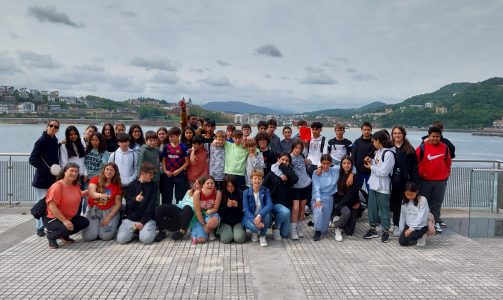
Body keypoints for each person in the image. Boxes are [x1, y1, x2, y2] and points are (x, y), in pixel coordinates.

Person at [43, 163, 90, 249]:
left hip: (68, 217)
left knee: (84, 222)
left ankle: (63, 236)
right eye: (71, 171)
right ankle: (51, 235)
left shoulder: (75, 185)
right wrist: (65, 221)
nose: (74, 173)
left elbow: (79, 194)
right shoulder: (57, 186)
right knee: (65, 228)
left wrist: (90, 190)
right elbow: (52, 207)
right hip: (53, 218)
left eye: (76, 171)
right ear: (64, 172)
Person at [416, 126, 452, 233]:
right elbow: (415, 162)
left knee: (437, 203)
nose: (435, 139)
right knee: (423, 203)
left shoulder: (445, 147)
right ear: (429, 136)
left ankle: (436, 221)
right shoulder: (422, 148)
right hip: (425, 181)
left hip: (440, 181)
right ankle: (424, 222)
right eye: (433, 136)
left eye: (438, 137)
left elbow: (448, 162)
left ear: (440, 137)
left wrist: (446, 175)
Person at [29, 120, 61, 237]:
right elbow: (32, 159)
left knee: (50, 203)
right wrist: (48, 169)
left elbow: (52, 154)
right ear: (47, 126)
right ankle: (39, 227)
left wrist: (60, 144)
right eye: (51, 126)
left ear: (58, 129)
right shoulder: (41, 141)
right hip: (42, 179)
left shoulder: (54, 140)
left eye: (55, 127)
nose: (53, 128)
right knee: (42, 203)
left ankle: (47, 226)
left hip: (52, 178)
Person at [363, 131, 395, 243]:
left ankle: (386, 231)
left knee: (384, 209)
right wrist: (371, 161)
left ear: (378, 141)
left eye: (374, 141)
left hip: (383, 186)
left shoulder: (389, 154)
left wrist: (371, 167)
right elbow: (378, 165)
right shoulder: (378, 152)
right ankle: (373, 229)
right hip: (374, 184)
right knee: (372, 207)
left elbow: (384, 172)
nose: (373, 143)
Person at [117, 162, 157, 245]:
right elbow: (128, 205)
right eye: (150, 174)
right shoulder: (132, 185)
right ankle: (137, 230)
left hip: (146, 219)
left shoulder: (154, 186)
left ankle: (141, 230)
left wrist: (142, 222)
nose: (152, 177)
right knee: (121, 239)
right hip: (132, 220)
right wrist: (135, 199)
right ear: (143, 173)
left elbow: (151, 206)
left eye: (153, 174)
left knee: (146, 239)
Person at [390, 125, 419, 236]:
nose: (397, 135)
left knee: (402, 204)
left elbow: (414, 168)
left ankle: (399, 225)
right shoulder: (389, 147)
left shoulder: (409, 149)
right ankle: (391, 223)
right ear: (392, 135)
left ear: (403, 134)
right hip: (391, 182)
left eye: (399, 133)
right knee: (392, 204)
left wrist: (414, 183)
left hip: (404, 182)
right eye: (395, 133)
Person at [82, 163, 122, 241]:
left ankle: (113, 226)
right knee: (88, 237)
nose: (109, 172)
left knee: (105, 237)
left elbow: (118, 204)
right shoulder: (95, 179)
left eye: (112, 170)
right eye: (107, 169)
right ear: (104, 170)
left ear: (115, 173)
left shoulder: (117, 185)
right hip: (94, 210)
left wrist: (109, 217)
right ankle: (96, 228)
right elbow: (91, 193)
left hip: (108, 210)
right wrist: (102, 195)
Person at [263, 152, 298, 240]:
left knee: (285, 235)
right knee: (285, 212)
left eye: (286, 160)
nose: (284, 161)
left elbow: (295, 179)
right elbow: (263, 187)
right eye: (282, 159)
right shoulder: (272, 172)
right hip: (274, 203)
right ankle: (275, 227)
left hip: (286, 204)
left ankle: (278, 226)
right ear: (278, 160)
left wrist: (283, 168)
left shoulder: (289, 172)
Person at [155, 177, 202, 242]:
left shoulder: (202, 195)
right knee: (160, 208)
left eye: (197, 184)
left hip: (189, 213)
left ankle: (182, 231)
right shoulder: (189, 191)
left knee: (187, 207)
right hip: (179, 209)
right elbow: (182, 203)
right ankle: (161, 231)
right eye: (195, 183)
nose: (195, 185)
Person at [311, 155, 339, 241]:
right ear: (321, 163)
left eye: (328, 163)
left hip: (329, 199)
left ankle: (316, 223)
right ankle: (317, 231)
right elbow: (316, 187)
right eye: (323, 163)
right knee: (318, 210)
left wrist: (352, 174)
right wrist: (318, 199)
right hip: (317, 198)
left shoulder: (335, 170)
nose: (326, 165)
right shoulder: (316, 173)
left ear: (331, 163)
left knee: (324, 230)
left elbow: (350, 166)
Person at [242, 169, 273, 247]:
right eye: (255, 178)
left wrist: (259, 216)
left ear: (262, 180)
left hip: (260, 215)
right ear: (251, 180)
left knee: (267, 215)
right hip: (250, 217)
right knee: (255, 228)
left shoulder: (266, 190)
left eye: (259, 178)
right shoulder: (246, 192)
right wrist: (254, 220)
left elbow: (269, 205)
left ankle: (262, 236)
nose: (257, 180)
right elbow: (246, 209)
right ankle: (254, 233)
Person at [333, 156, 360, 242]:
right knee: (346, 212)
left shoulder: (355, 177)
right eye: (344, 163)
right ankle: (338, 227)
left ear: (352, 165)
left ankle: (336, 222)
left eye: (348, 163)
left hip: (351, 203)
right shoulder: (338, 174)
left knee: (349, 231)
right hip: (340, 203)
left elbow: (352, 194)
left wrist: (352, 174)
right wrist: (338, 207)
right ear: (341, 164)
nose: (346, 165)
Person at [289, 140, 312, 239]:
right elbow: (280, 167)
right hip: (295, 187)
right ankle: (293, 230)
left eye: (300, 148)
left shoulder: (302, 156)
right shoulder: (289, 157)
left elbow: (306, 166)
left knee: (303, 207)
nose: (298, 150)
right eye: (296, 148)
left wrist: (309, 162)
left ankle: (300, 228)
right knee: (296, 208)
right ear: (292, 148)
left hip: (305, 184)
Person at [161, 127, 189, 204]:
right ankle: (166, 214)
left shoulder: (183, 147)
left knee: (180, 196)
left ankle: (179, 213)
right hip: (168, 175)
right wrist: (165, 171)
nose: (170, 138)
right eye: (169, 136)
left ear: (178, 135)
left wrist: (178, 171)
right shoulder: (166, 147)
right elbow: (163, 160)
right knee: (167, 196)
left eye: (172, 136)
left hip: (179, 175)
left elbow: (187, 162)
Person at [191, 175, 222, 244]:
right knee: (202, 239)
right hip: (199, 216)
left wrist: (210, 211)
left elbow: (215, 208)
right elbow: (197, 211)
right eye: (207, 183)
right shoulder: (197, 193)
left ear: (214, 184)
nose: (210, 185)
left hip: (211, 213)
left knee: (212, 222)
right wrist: (204, 225)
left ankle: (211, 230)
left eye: (212, 183)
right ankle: (200, 232)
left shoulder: (218, 193)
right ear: (203, 185)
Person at [399, 182, 430, 247]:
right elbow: (402, 216)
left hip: (420, 226)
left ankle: (422, 234)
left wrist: (411, 229)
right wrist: (401, 230)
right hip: (409, 225)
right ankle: (415, 237)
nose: (410, 197)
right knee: (402, 242)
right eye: (407, 194)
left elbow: (421, 216)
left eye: (412, 194)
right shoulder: (404, 201)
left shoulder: (422, 200)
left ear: (417, 192)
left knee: (410, 236)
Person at [218, 175, 245, 244]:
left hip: (238, 221)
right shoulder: (221, 194)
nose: (230, 188)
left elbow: (244, 211)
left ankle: (239, 231)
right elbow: (219, 212)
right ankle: (223, 231)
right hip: (225, 222)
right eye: (228, 186)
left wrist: (238, 205)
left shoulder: (241, 193)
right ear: (225, 186)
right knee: (226, 240)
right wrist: (226, 206)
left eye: (232, 186)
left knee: (239, 239)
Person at [138, 131, 161, 202]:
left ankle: (156, 211)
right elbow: (140, 165)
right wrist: (139, 178)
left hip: (156, 179)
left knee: (156, 197)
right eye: (150, 140)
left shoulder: (156, 150)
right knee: (147, 197)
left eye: (154, 140)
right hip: (146, 179)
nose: (152, 142)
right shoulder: (144, 151)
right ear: (146, 141)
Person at [352, 121, 374, 191]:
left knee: (371, 191)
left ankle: (370, 202)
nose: (366, 131)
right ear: (361, 130)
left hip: (372, 172)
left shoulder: (375, 141)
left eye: (368, 130)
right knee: (357, 190)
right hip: (359, 171)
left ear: (371, 130)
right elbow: (353, 157)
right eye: (365, 130)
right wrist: (354, 170)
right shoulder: (357, 142)